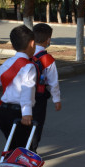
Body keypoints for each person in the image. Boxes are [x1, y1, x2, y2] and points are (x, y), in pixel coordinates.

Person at [0, 25, 36, 150]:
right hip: (19, 114)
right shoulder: (29, 67)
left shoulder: (7, 63)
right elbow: (28, 89)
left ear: (12, 46)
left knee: (11, 148)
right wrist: (26, 113)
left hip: (4, 113)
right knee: (23, 151)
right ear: (32, 43)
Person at [31, 23, 61, 151]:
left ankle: (18, 149)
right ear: (48, 40)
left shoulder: (25, 54)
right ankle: (31, 151)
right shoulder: (47, 59)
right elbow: (53, 82)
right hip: (38, 96)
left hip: (20, 94)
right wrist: (57, 100)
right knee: (36, 123)